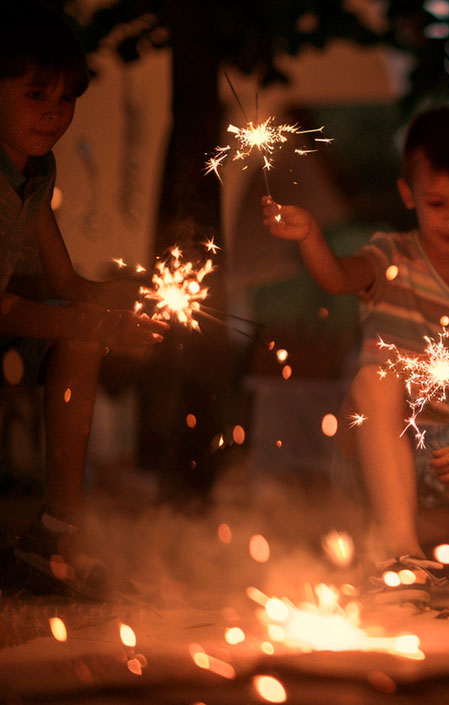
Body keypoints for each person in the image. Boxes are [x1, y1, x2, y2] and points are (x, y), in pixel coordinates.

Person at [263, 106, 449, 600]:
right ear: (408, 194)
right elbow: (339, 277)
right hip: (381, 438)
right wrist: (311, 238)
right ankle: (401, 557)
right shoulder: (391, 256)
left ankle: (421, 526)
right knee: (378, 378)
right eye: (436, 203)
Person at [0, 3, 167, 597]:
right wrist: (98, 325)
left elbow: (66, 284)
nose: (53, 111)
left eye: (66, 98)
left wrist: (125, 298)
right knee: (83, 330)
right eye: (34, 94)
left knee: (81, 332)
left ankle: (56, 530)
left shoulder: (36, 170)